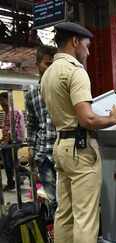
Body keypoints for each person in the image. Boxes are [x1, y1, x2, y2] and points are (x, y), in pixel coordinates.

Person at [40, 22, 116, 243]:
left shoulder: (49, 73)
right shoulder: (76, 71)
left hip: (60, 147)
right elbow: (87, 118)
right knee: (86, 218)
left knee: (64, 214)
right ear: (75, 41)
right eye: (87, 46)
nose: (88, 52)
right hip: (80, 149)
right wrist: (112, 119)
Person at [25, 45, 58, 220]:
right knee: (51, 199)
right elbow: (31, 124)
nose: (50, 69)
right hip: (43, 154)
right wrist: (30, 148)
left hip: (63, 152)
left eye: (54, 65)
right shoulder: (31, 94)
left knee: (65, 200)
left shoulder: (62, 88)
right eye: (47, 64)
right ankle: (57, 240)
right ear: (38, 64)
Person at [0, 92, 25, 191]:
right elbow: (6, 128)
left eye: (2, 101)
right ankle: (13, 181)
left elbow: (13, 130)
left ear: (8, 100)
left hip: (14, 141)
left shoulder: (13, 111)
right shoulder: (7, 112)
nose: (1, 104)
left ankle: (24, 175)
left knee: (10, 163)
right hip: (8, 141)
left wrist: (5, 141)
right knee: (8, 163)